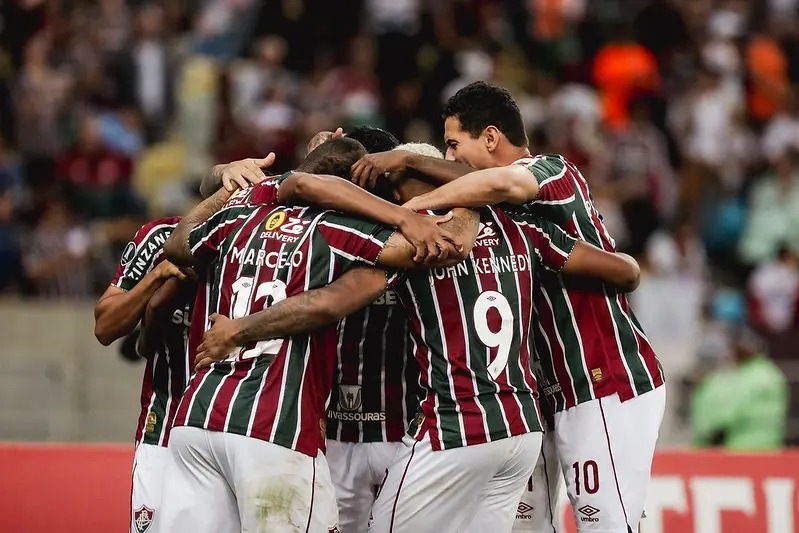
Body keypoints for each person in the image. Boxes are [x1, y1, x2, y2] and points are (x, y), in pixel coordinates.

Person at [194, 141, 642, 533]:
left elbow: (331, 301)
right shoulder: (524, 230)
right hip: (521, 429)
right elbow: (624, 270)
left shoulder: (416, 245)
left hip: (455, 425)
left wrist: (239, 330)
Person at [353, 81, 665, 533]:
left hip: (602, 380)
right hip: (538, 397)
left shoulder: (551, 171)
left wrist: (414, 181)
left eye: (454, 145)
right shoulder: (499, 216)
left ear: (492, 137)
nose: (451, 158)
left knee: (606, 526)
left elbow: (504, 182)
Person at [158, 137, 477, 533]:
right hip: (273, 427)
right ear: (349, 193)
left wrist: (226, 186)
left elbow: (177, 243)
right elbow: (443, 246)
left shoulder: (241, 214)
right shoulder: (335, 229)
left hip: (196, 421)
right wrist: (464, 204)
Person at [93, 215, 197, 533]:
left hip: (238, 430)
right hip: (163, 423)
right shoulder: (160, 237)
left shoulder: (266, 240)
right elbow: (104, 326)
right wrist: (154, 278)